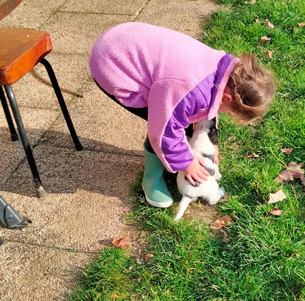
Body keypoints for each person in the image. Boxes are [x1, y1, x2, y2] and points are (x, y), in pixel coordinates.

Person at [89, 22, 276, 208]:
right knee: (164, 124)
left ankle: (174, 154)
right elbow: (163, 131)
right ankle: (151, 179)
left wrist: (213, 141)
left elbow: (209, 104)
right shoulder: (187, 89)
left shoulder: (224, 72)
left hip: (125, 37)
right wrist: (187, 163)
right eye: (229, 111)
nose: (224, 113)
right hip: (112, 63)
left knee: (183, 116)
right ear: (227, 98)